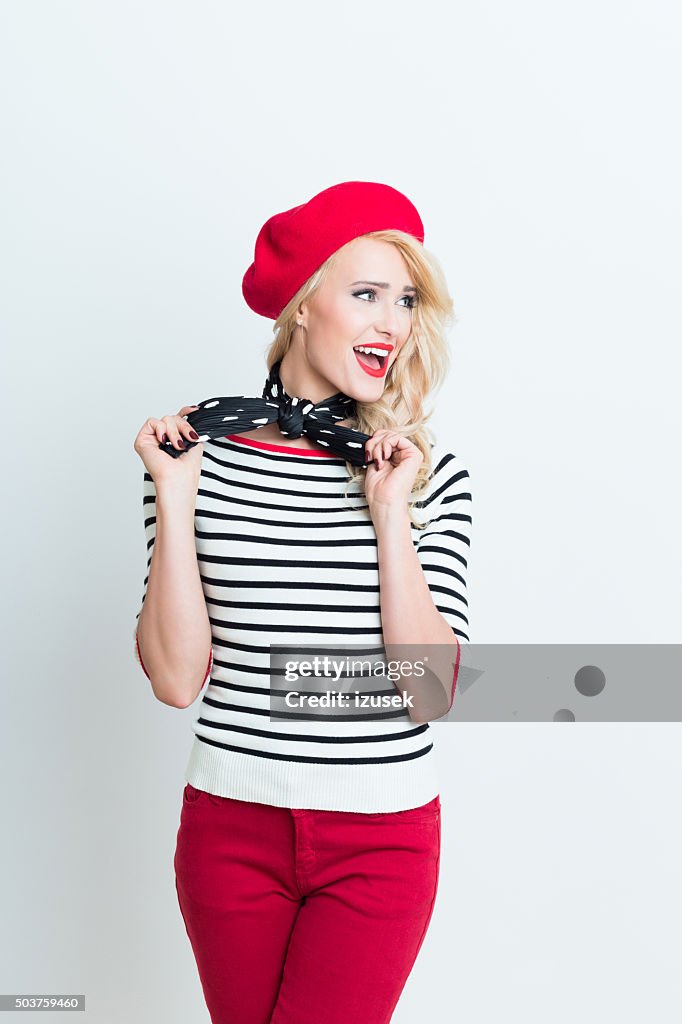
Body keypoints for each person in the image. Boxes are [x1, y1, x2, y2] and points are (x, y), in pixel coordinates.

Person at [132, 181, 473, 1024]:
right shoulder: (191, 454)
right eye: (364, 294)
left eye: (403, 301)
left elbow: (431, 692)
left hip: (381, 839)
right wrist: (175, 498)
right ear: (300, 305)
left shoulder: (428, 473)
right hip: (229, 829)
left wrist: (389, 512)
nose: (389, 324)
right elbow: (177, 681)